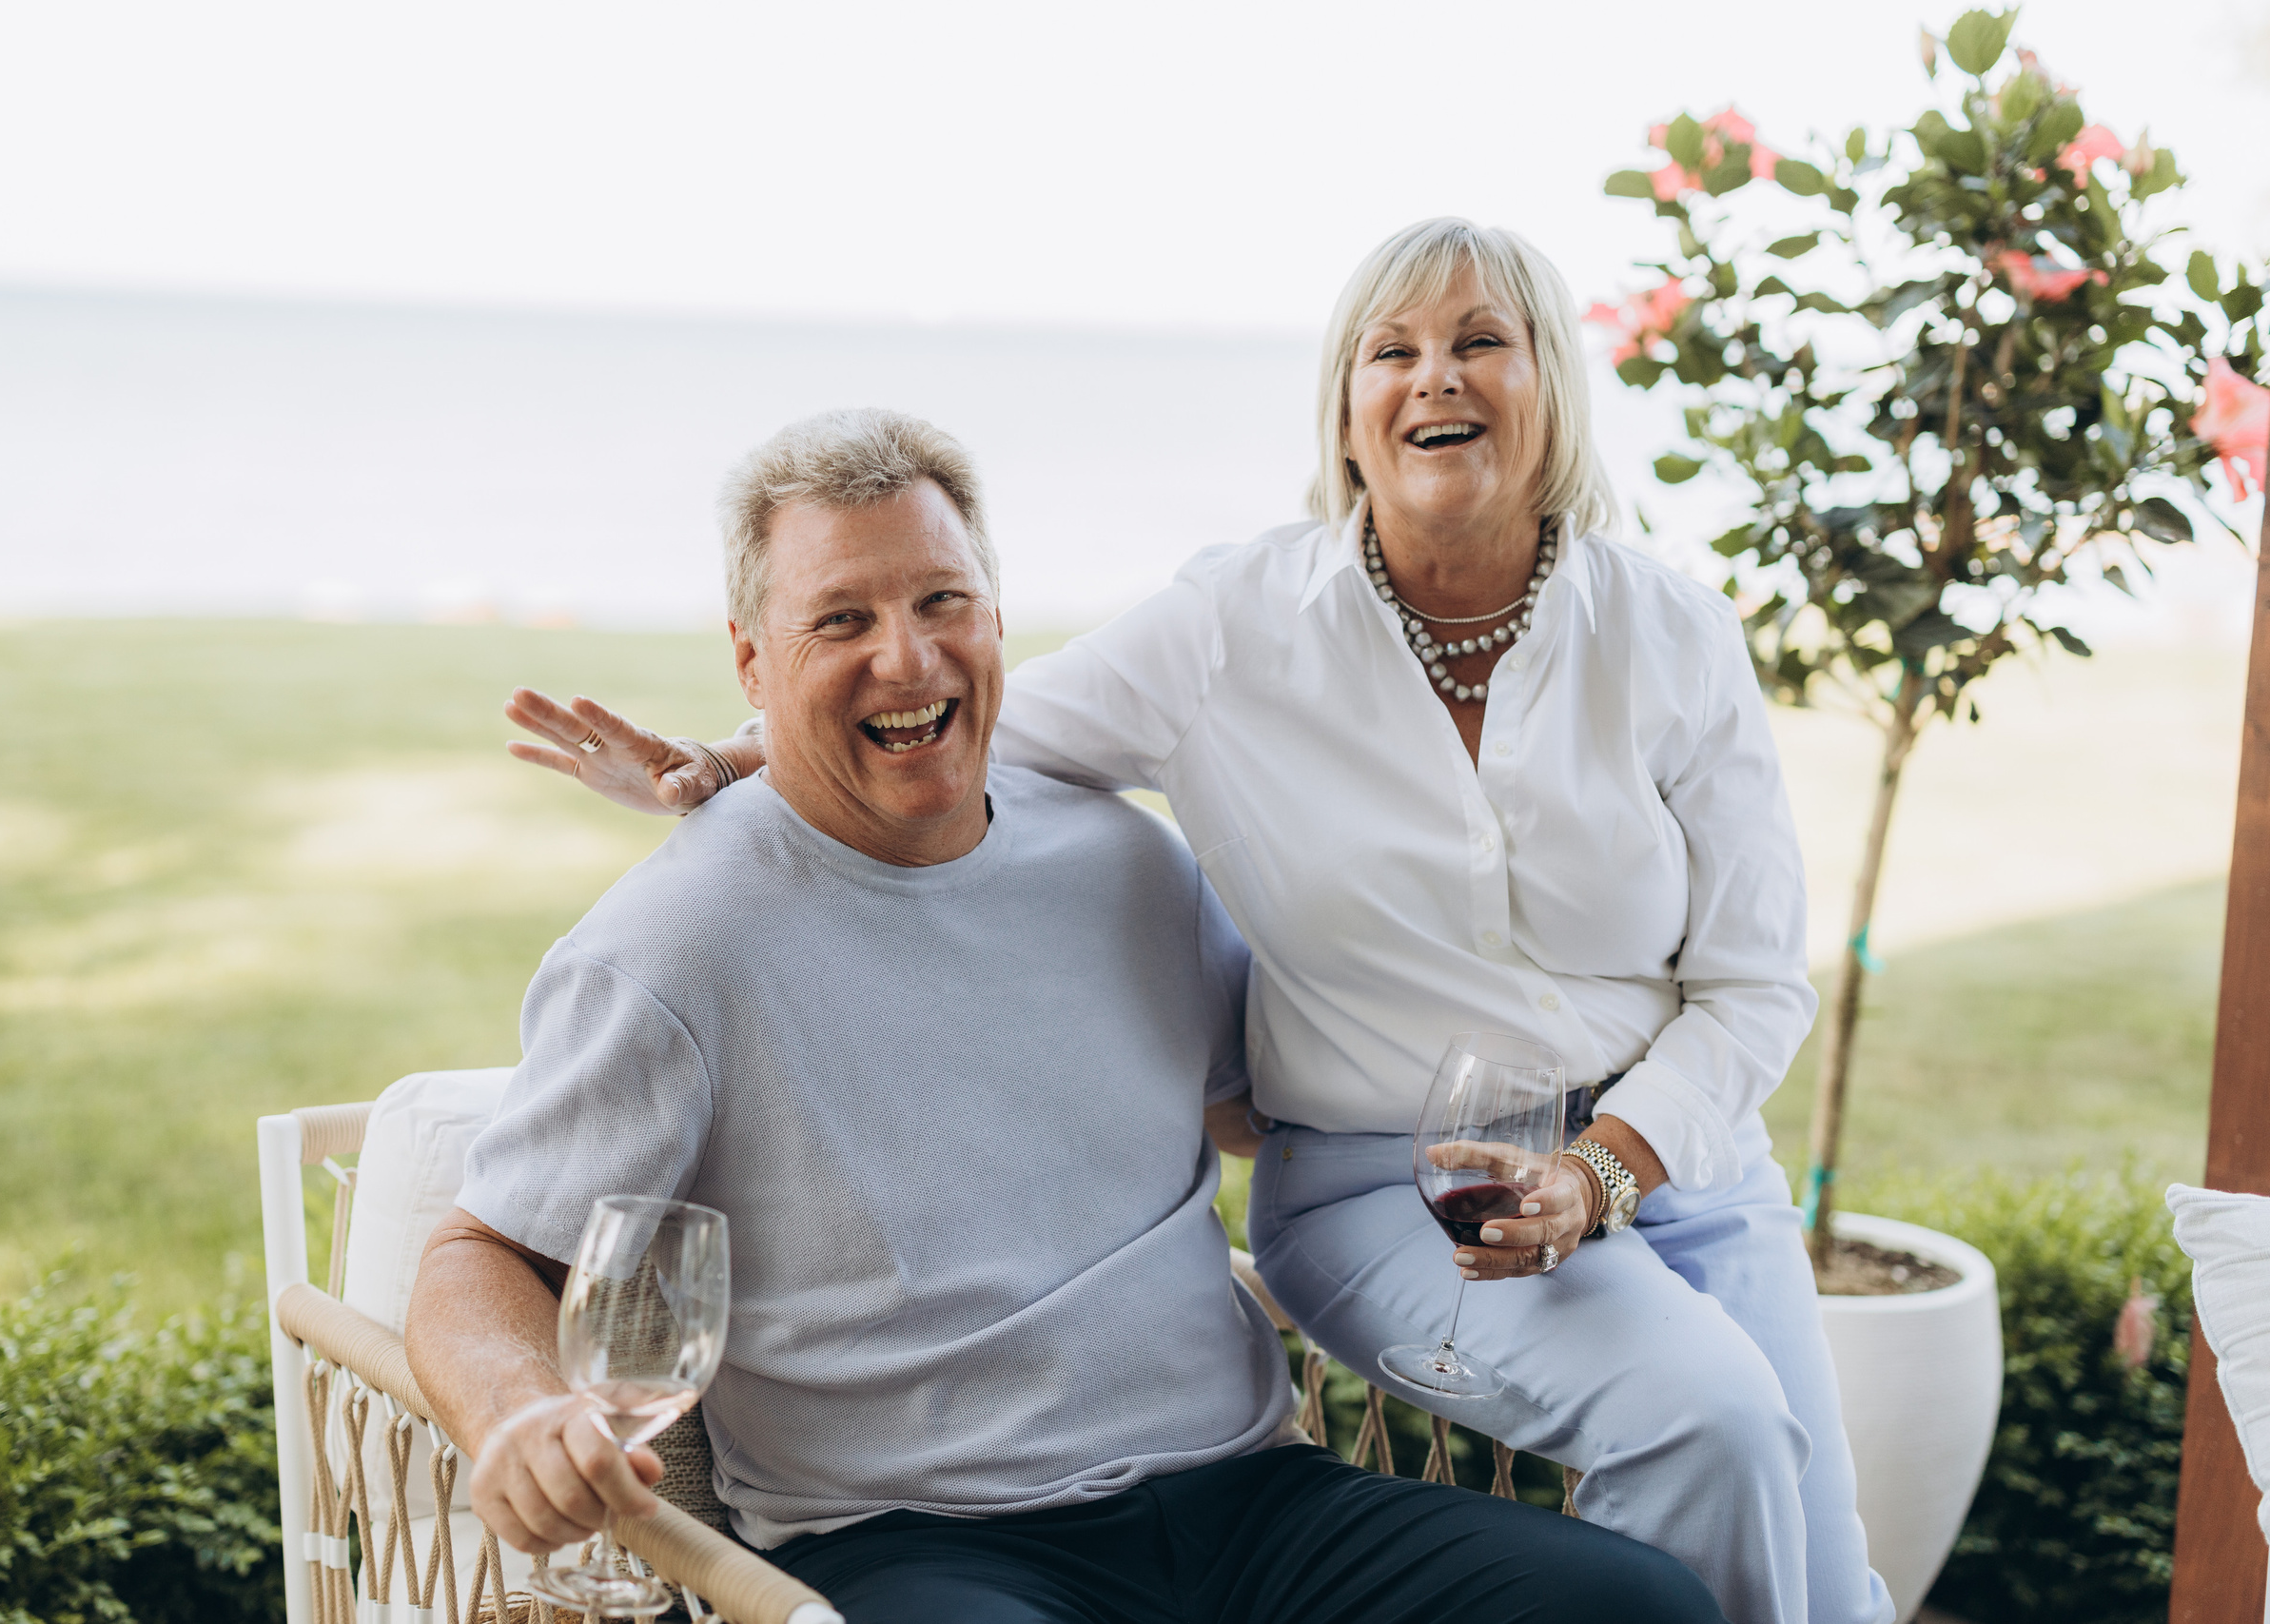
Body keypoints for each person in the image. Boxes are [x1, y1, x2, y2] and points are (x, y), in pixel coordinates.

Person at [505, 220, 1893, 1624]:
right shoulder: (1236, 624)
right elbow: (954, 714)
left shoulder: (1670, 632)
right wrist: (735, 763)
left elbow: (1755, 986)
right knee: (1711, 1426)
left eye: (1481, 341)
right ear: (1343, 410)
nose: (1436, 378)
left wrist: (1606, 1168)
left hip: (1678, 1153)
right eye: (1391, 350)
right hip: (1397, 1187)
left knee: (1818, 1573)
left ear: (1553, 388)